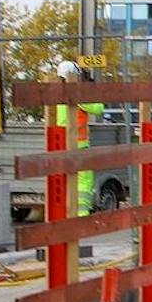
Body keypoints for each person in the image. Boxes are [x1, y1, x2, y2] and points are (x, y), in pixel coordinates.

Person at [54, 60, 105, 216]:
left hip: (60, 143)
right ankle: (81, 214)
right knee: (84, 180)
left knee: (63, 180)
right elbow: (99, 108)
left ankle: (64, 212)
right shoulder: (76, 95)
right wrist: (90, 92)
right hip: (78, 144)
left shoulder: (56, 93)